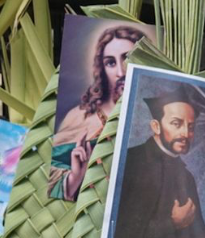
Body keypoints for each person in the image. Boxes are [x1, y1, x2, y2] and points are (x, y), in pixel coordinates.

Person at [111, 93, 205, 238]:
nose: (185, 133)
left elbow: (197, 230)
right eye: (176, 124)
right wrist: (173, 223)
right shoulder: (129, 161)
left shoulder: (186, 176)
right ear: (156, 126)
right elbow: (119, 236)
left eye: (190, 127)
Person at [49, 24, 148, 201]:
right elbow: (47, 175)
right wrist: (74, 177)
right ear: (102, 69)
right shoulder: (81, 117)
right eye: (111, 62)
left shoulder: (160, 116)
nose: (120, 72)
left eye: (128, 59)